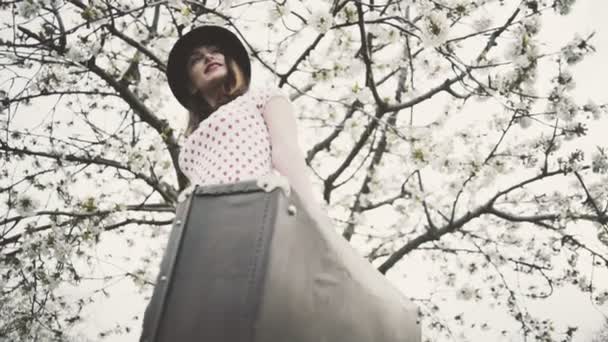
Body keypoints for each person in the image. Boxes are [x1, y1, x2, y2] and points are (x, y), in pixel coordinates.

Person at [167, 25, 327, 220]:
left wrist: (311, 214)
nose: (208, 57)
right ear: (190, 85)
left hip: (252, 202)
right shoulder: (190, 144)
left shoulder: (261, 97)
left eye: (215, 51)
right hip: (204, 221)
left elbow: (286, 152)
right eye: (196, 59)